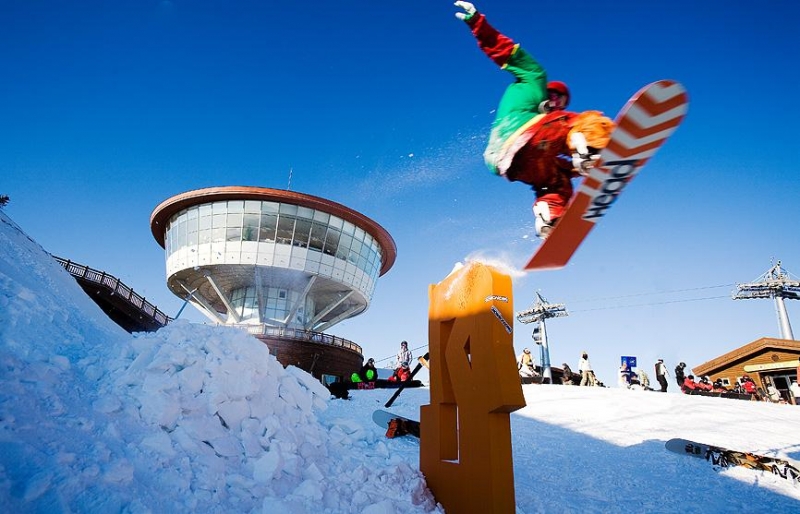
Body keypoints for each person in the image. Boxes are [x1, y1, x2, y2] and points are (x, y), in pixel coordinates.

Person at [455, 1, 615, 238]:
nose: (557, 103)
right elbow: (504, 50)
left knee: (556, 181)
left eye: (562, 101)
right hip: (519, 134)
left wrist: (580, 170)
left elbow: (556, 160)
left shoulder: (550, 129)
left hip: (506, 162)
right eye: (556, 97)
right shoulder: (534, 80)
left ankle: (549, 217)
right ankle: (592, 148)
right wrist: (478, 22)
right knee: (585, 120)